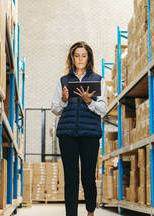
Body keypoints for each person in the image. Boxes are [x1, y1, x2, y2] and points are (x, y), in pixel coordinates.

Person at [51, 41, 107, 216]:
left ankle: (90, 211)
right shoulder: (64, 80)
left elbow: (104, 108)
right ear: (72, 58)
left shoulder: (98, 80)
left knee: (88, 176)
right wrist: (64, 100)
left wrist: (89, 101)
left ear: (88, 58)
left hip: (90, 134)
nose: (80, 59)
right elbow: (55, 109)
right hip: (67, 134)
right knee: (71, 178)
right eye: (77, 56)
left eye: (84, 55)